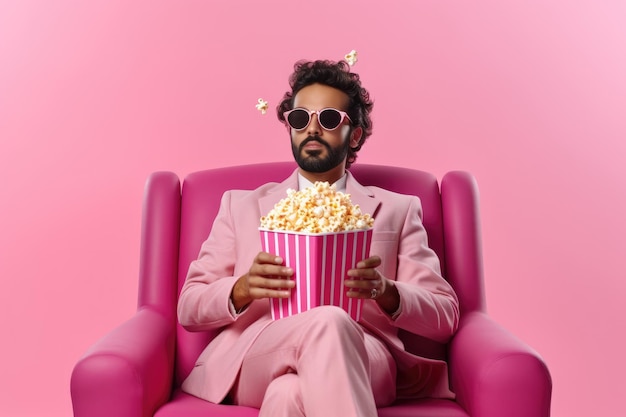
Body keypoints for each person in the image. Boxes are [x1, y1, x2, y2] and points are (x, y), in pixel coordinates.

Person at [177, 59, 460, 417]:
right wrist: (244, 287)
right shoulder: (240, 206)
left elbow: (445, 316)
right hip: (259, 352)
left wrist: (386, 291)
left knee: (288, 394)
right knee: (327, 321)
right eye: (299, 119)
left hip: (364, 353)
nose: (312, 129)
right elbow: (188, 307)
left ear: (354, 134)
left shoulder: (398, 210)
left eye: (328, 119)